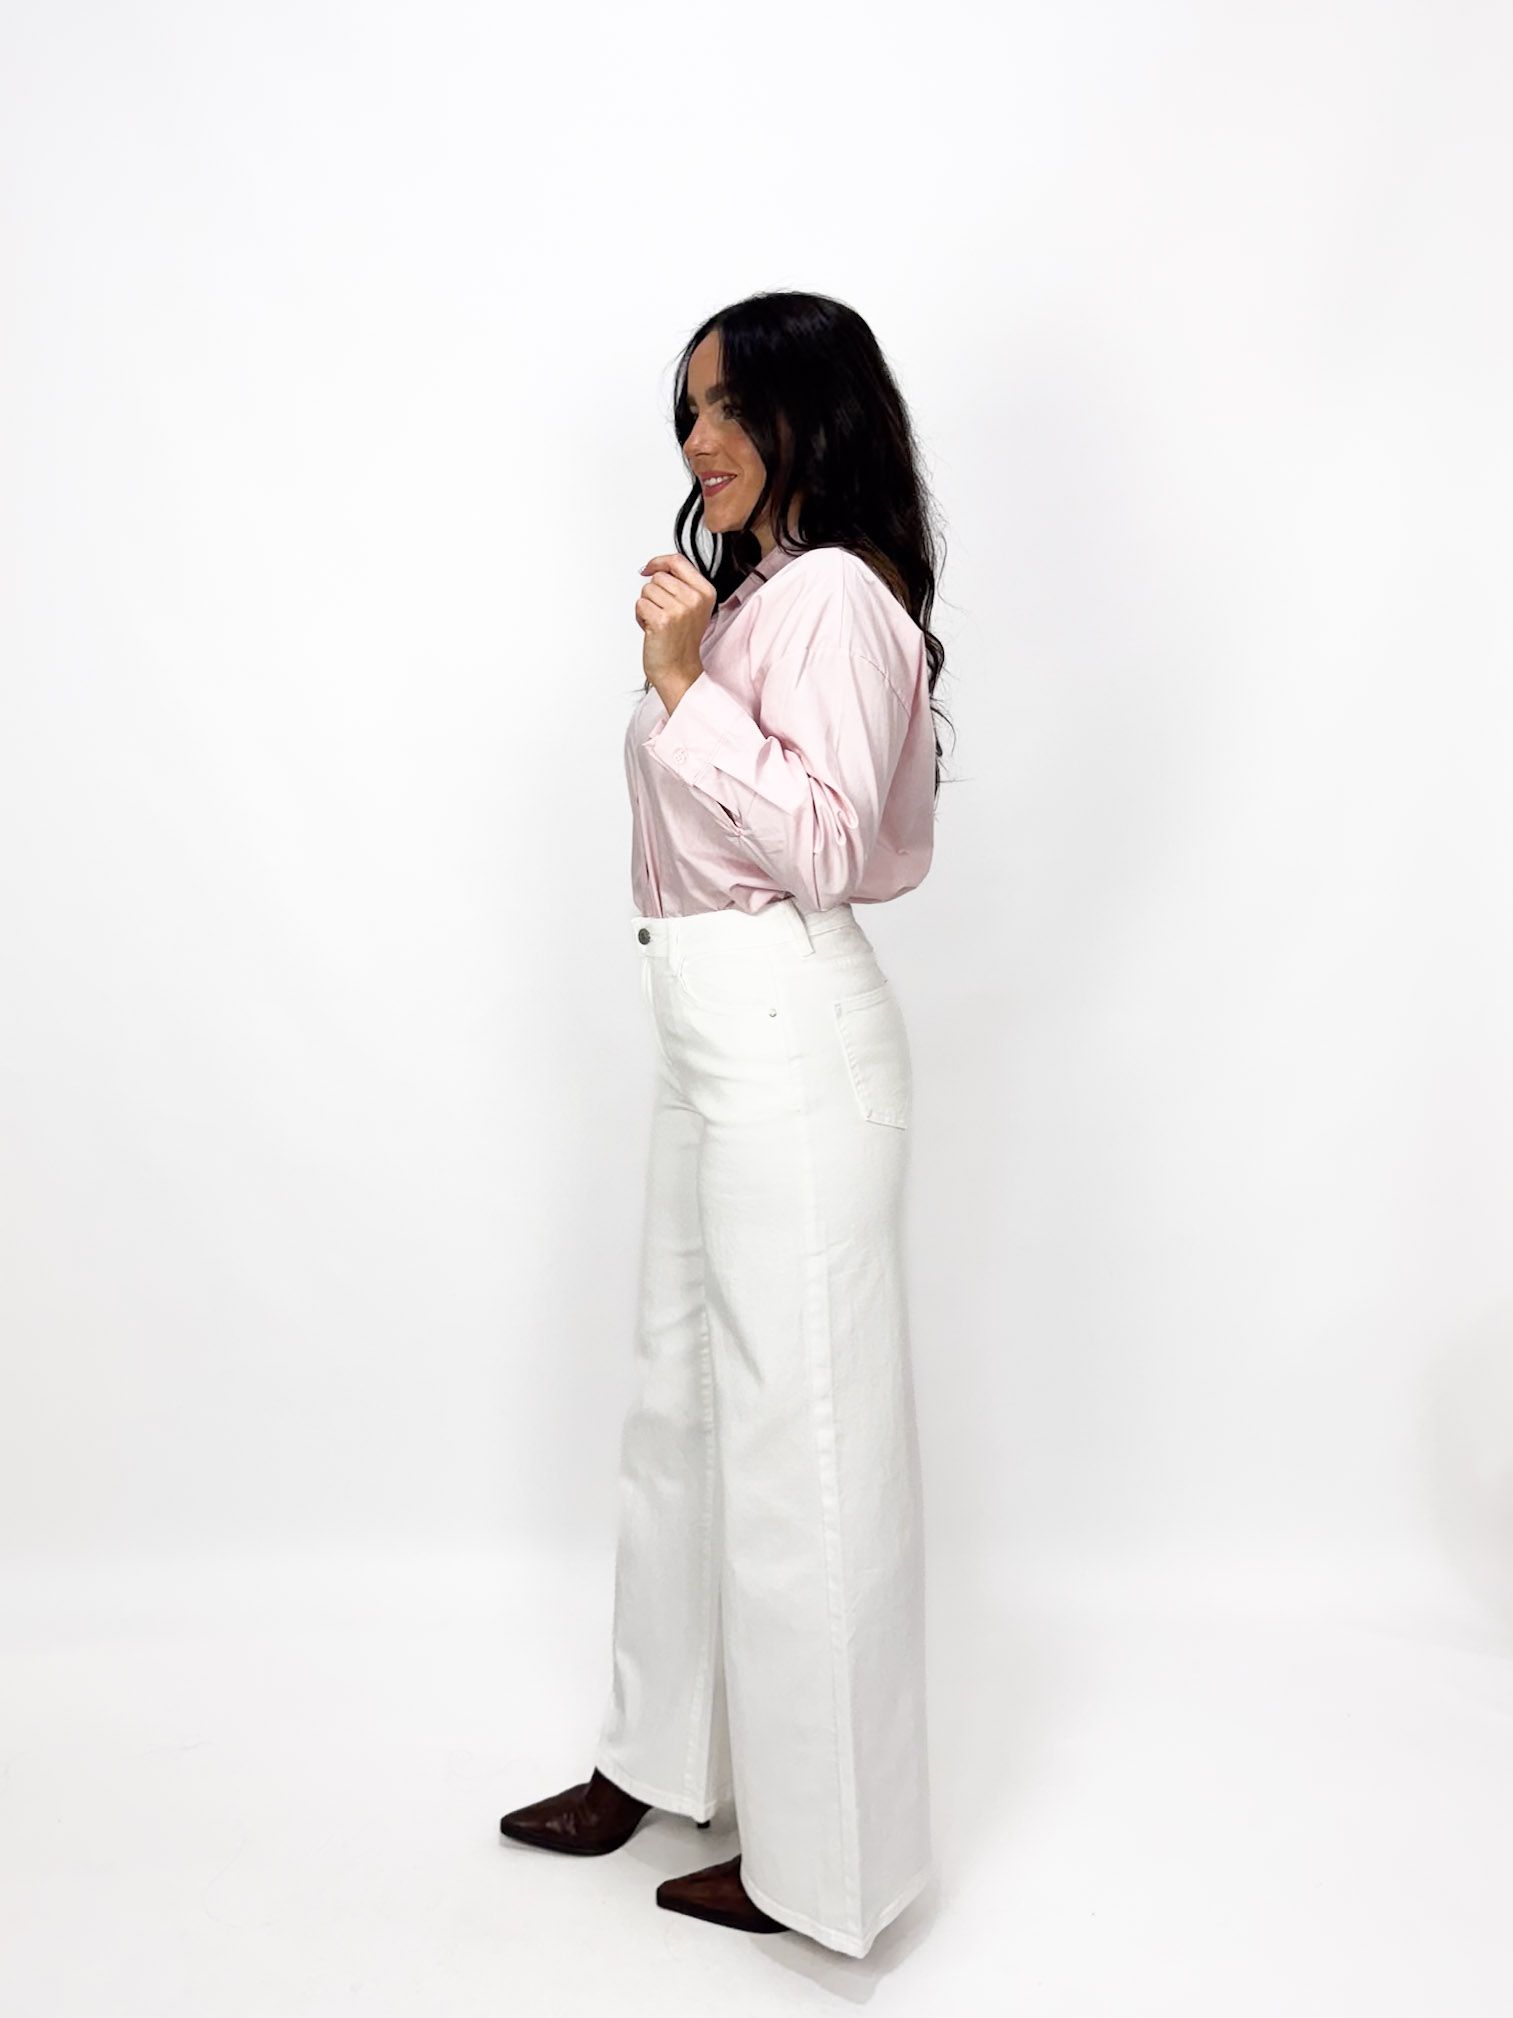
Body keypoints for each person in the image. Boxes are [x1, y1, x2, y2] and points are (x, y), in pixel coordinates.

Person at [500, 290, 952, 1960]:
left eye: (729, 407)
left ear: (807, 412)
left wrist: (683, 684)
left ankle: (826, 1871)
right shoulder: (765, 589)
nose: (698, 441)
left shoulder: (829, 593)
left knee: (799, 1437)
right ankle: (657, 1760)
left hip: (784, 1025)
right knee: (677, 1407)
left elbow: (825, 846)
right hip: (705, 1021)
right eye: (687, 410)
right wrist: (700, 666)